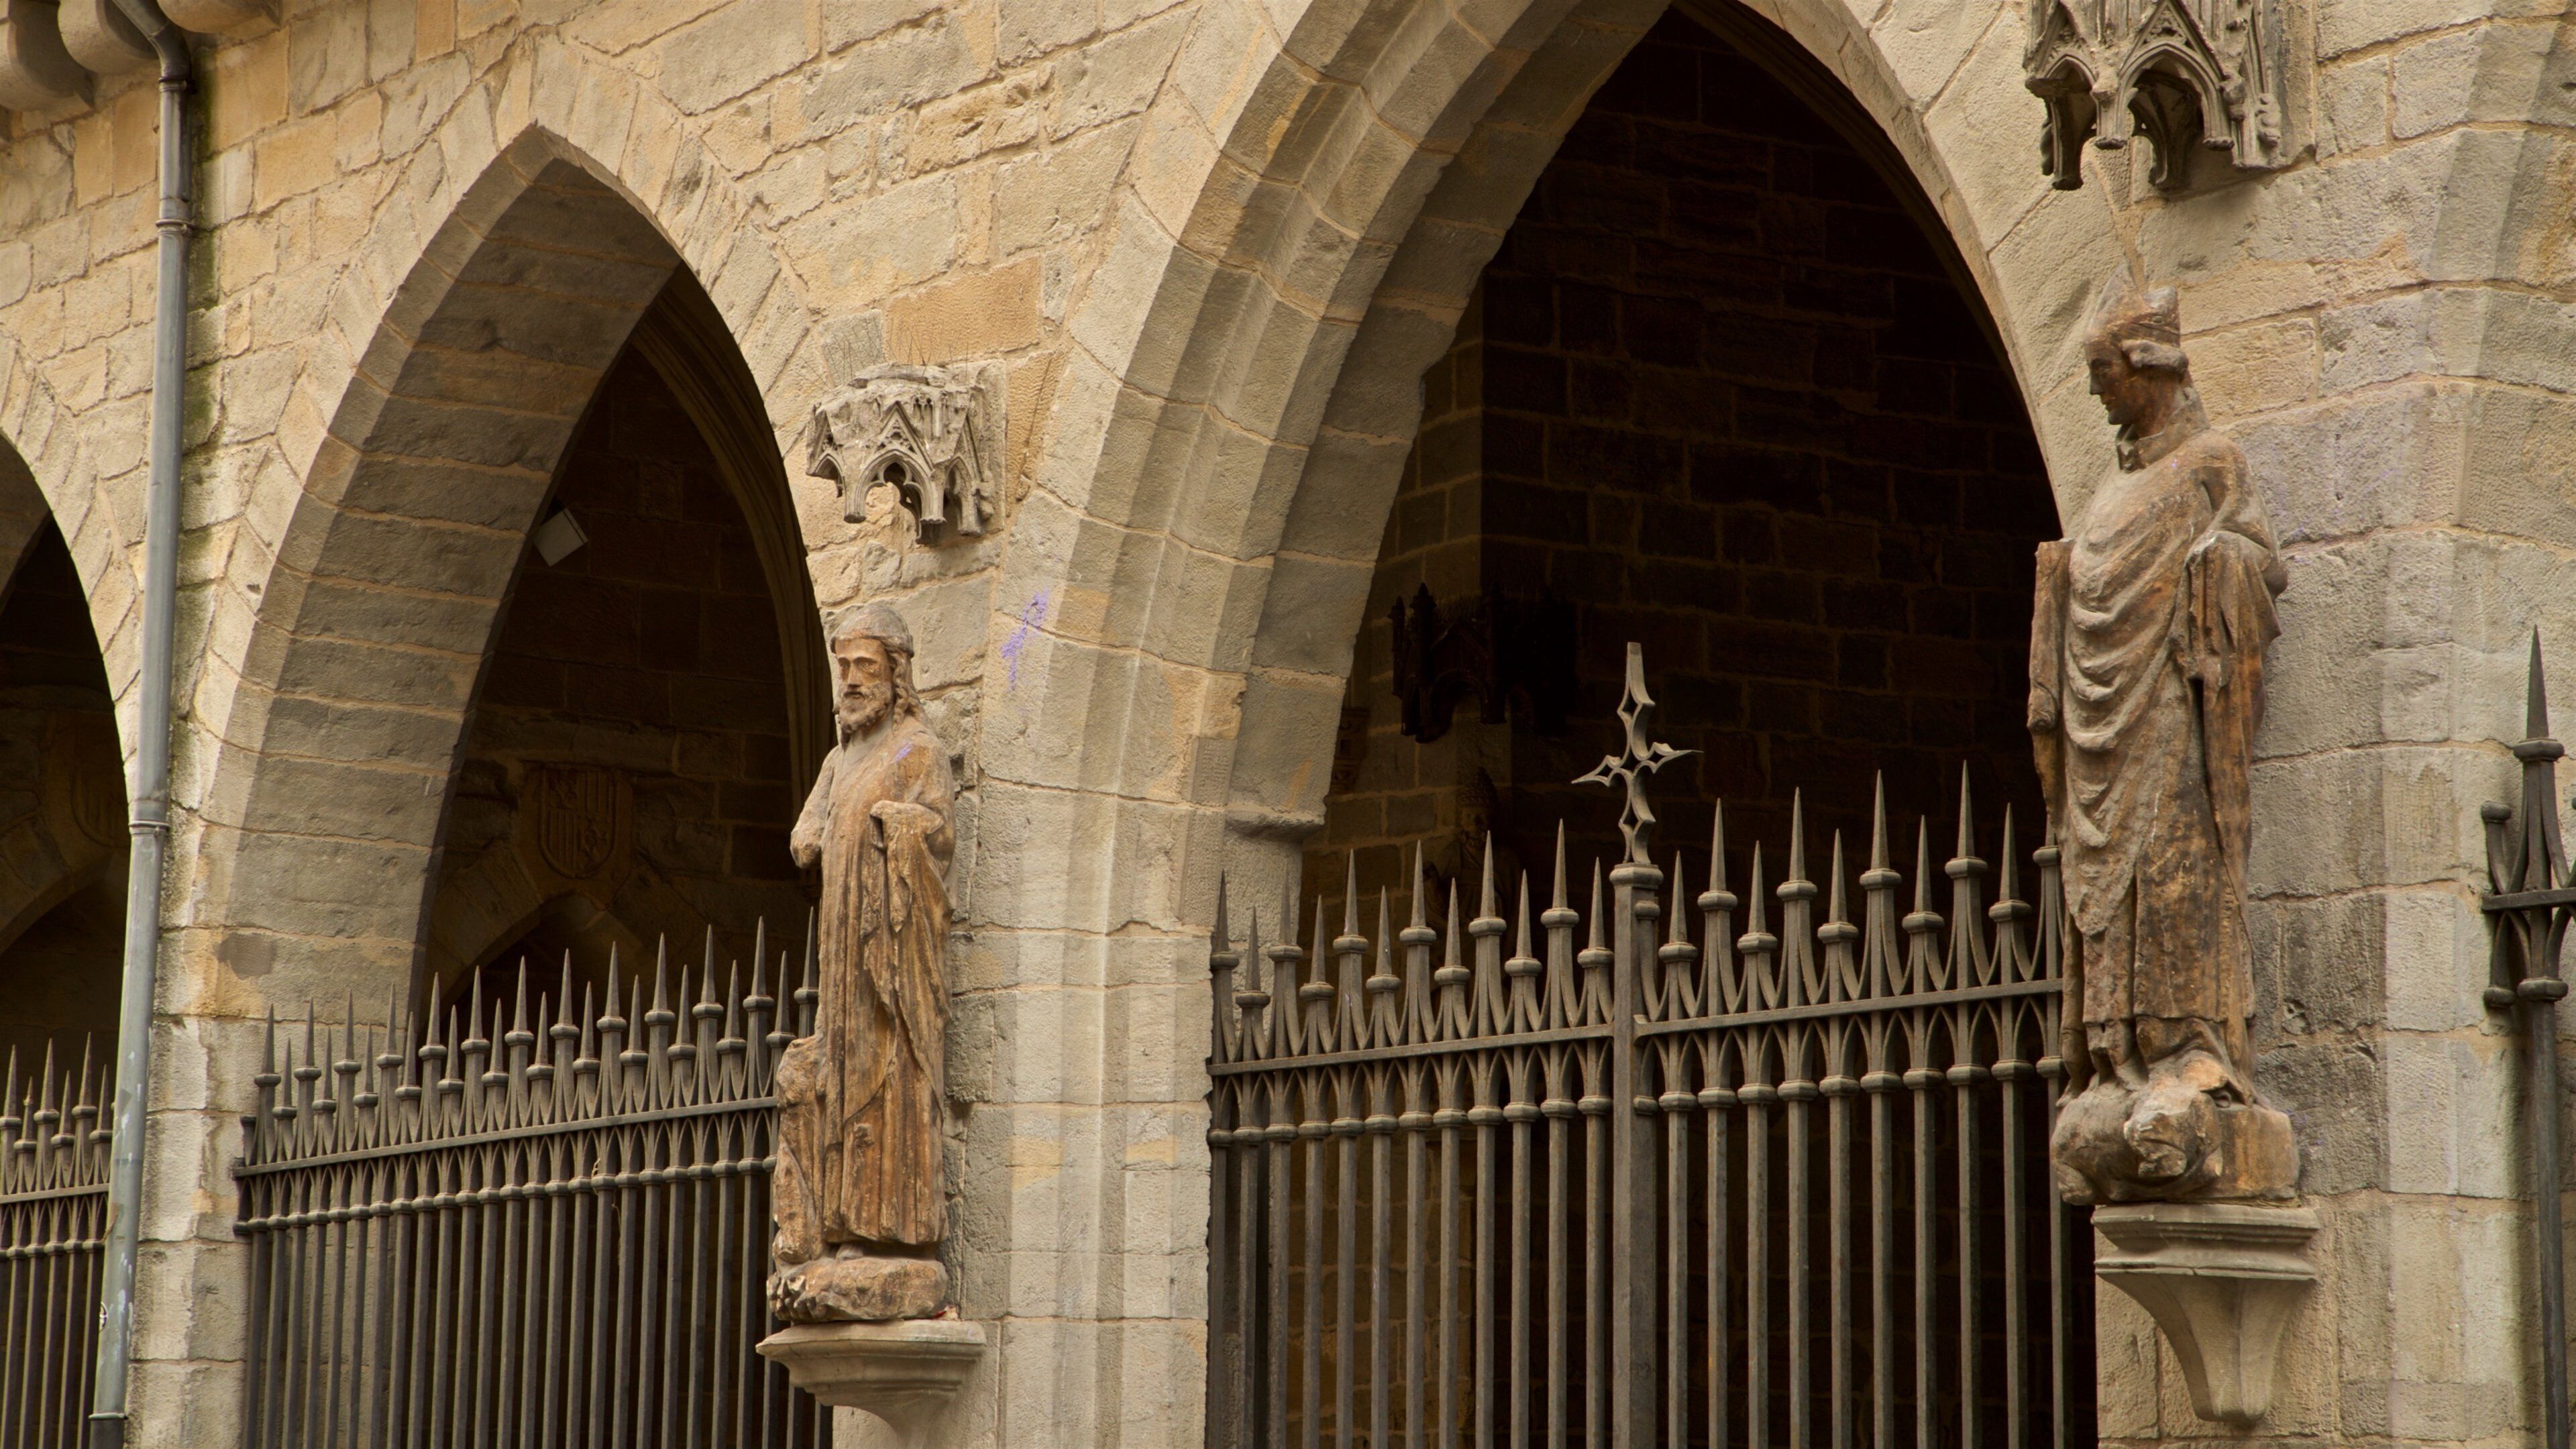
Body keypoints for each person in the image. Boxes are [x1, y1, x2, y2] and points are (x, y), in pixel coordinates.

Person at [2033, 270, 2295, 1203]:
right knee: (2104, 883)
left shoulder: (2214, 462)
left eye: (2104, 369)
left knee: (2179, 869)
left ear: (2150, 365)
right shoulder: (2116, 484)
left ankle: (2193, 1053)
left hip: (2176, 709)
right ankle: (2115, 1055)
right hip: (2108, 724)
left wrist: (2218, 565)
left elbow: (2262, 562)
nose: (2097, 389)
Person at [771, 602, 959, 1318]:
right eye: (843, 667)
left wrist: (904, 825)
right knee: (841, 1077)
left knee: (889, 1079)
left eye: (864, 668)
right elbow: (805, 834)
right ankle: (843, 1225)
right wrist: (812, 835)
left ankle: (892, 1230)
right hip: (842, 958)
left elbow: (938, 835)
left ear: (896, 674)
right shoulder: (839, 757)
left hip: (891, 960)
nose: (850, 681)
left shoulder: (918, 752)